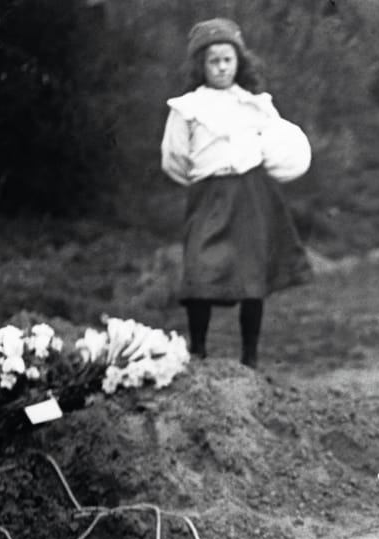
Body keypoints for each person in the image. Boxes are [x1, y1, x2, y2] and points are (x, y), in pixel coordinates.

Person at [160, 18, 312, 368]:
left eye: (228, 59)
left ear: (239, 62)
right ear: (201, 65)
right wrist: (207, 181)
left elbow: (280, 144)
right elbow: (175, 159)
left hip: (252, 196)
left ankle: (250, 356)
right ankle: (198, 349)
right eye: (214, 61)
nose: (222, 67)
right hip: (208, 194)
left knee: (251, 274)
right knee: (200, 269)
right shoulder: (187, 108)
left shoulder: (254, 104)